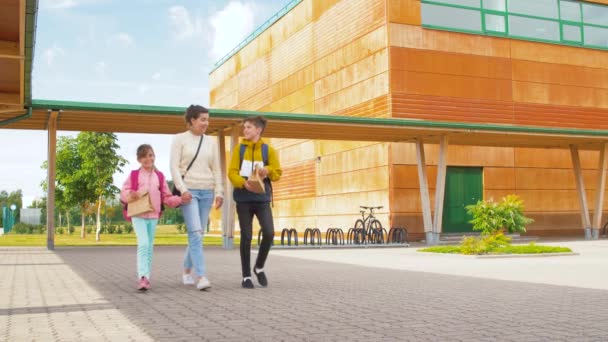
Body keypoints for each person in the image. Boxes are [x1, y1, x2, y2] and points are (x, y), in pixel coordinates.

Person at [170, 104, 224, 291]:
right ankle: (201, 276)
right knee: (195, 233)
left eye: (207, 120)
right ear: (192, 120)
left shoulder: (211, 142)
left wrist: (219, 192)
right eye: (202, 119)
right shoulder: (179, 139)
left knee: (198, 235)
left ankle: (186, 271)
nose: (206, 123)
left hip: (207, 191)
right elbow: (174, 168)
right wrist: (183, 189)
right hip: (189, 192)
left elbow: (217, 169)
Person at [228, 115, 282, 289]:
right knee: (246, 236)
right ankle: (246, 276)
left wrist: (268, 170)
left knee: (269, 233)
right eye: (245, 127)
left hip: (262, 199)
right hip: (243, 198)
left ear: (258, 130)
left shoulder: (269, 150)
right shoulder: (239, 149)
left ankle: (259, 267)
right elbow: (232, 172)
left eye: (249, 127)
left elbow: (278, 172)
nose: (245, 130)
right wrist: (243, 183)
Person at [120, 144, 183, 291]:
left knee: (149, 246)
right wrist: (131, 194)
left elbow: (167, 197)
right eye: (144, 156)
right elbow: (124, 191)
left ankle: (146, 277)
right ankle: (142, 277)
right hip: (138, 214)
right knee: (143, 244)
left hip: (153, 215)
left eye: (151, 155)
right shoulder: (134, 174)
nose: (148, 158)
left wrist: (180, 200)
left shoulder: (159, 177)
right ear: (139, 159)